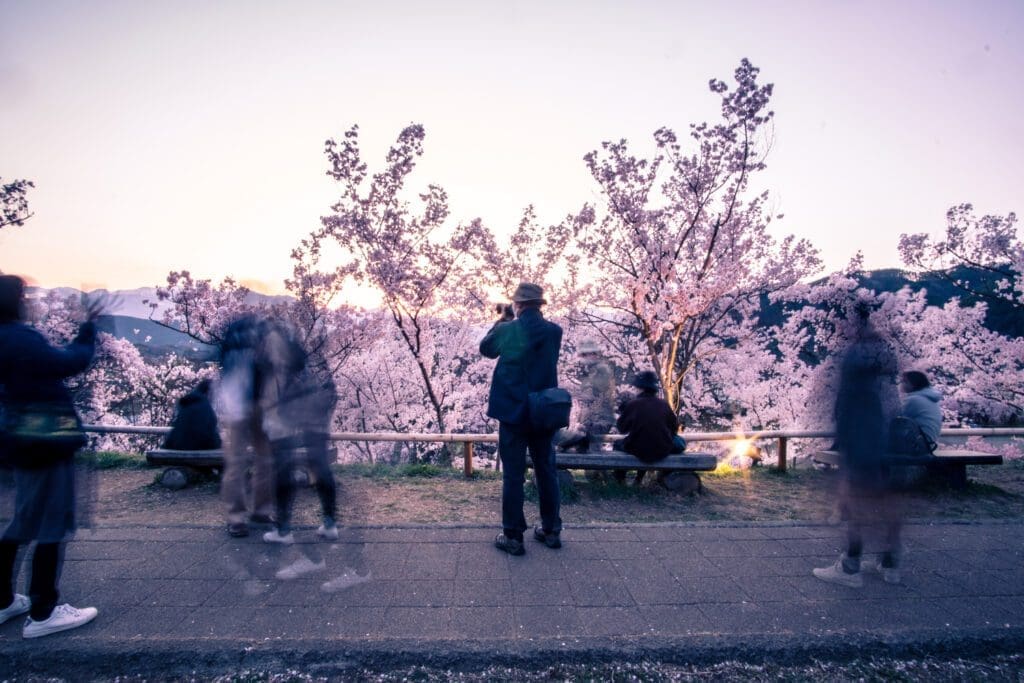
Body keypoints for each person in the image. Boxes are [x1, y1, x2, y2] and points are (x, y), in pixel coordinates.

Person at [0, 275, 100, 638]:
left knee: (22, 520)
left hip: (16, 439)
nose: (29, 302)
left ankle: (4, 601)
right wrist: (88, 332)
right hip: (45, 438)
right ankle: (44, 611)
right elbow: (68, 362)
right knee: (53, 522)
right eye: (24, 296)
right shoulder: (18, 337)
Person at [813, 302, 902, 587]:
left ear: (852, 322)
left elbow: (849, 401)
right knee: (887, 499)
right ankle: (890, 562)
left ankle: (851, 566)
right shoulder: (884, 351)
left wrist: (843, 439)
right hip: (893, 435)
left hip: (864, 434)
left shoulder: (857, 353)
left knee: (857, 499)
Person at [480, 282, 563, 555]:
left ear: (518, 304)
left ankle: (513, 536)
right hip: (543, 413)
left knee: (513, 475)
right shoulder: (554, 332)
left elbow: (487, 349)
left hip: (513, 413)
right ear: (540, 304)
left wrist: (502, 320)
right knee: (546, 470)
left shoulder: (508, 330)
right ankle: (551, 530)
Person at [216, 314, 275, 538]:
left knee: (237, 463)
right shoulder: (259, 344)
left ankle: (236, 518)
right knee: (265, 459)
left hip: (235, 407)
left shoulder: (230, 346)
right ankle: (260, 512)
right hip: (256, 405)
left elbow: (225, 375)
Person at [613, 371, 684, 485]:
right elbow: (674, 428)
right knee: (656, 440)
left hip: (638, 449)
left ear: (640, 388)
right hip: (662, 449)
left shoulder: (633, 404)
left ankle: (620, 478)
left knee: (619, 444)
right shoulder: (663, 405)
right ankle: (639, 479)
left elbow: (622, 429)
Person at [558, 339, 616, 454]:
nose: (585, 358)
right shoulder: (589, 372)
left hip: (596, 423)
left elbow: (600, 396)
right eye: (583, 355)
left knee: (580, 434)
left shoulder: (602, 371)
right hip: (588, 422)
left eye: (587, 354)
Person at [162, 379, 221, 451]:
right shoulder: (205, 407)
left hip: (177, 448)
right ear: (208, 392)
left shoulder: (186, 404)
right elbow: (210, 436)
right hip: (197, 451)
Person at [899, 371, 942, 444]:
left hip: (921, 443)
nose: (901, 384)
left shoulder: (913, 400)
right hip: (930, 441)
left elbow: (900, 420)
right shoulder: (928, 397)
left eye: (904, 381)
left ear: (913, 384)